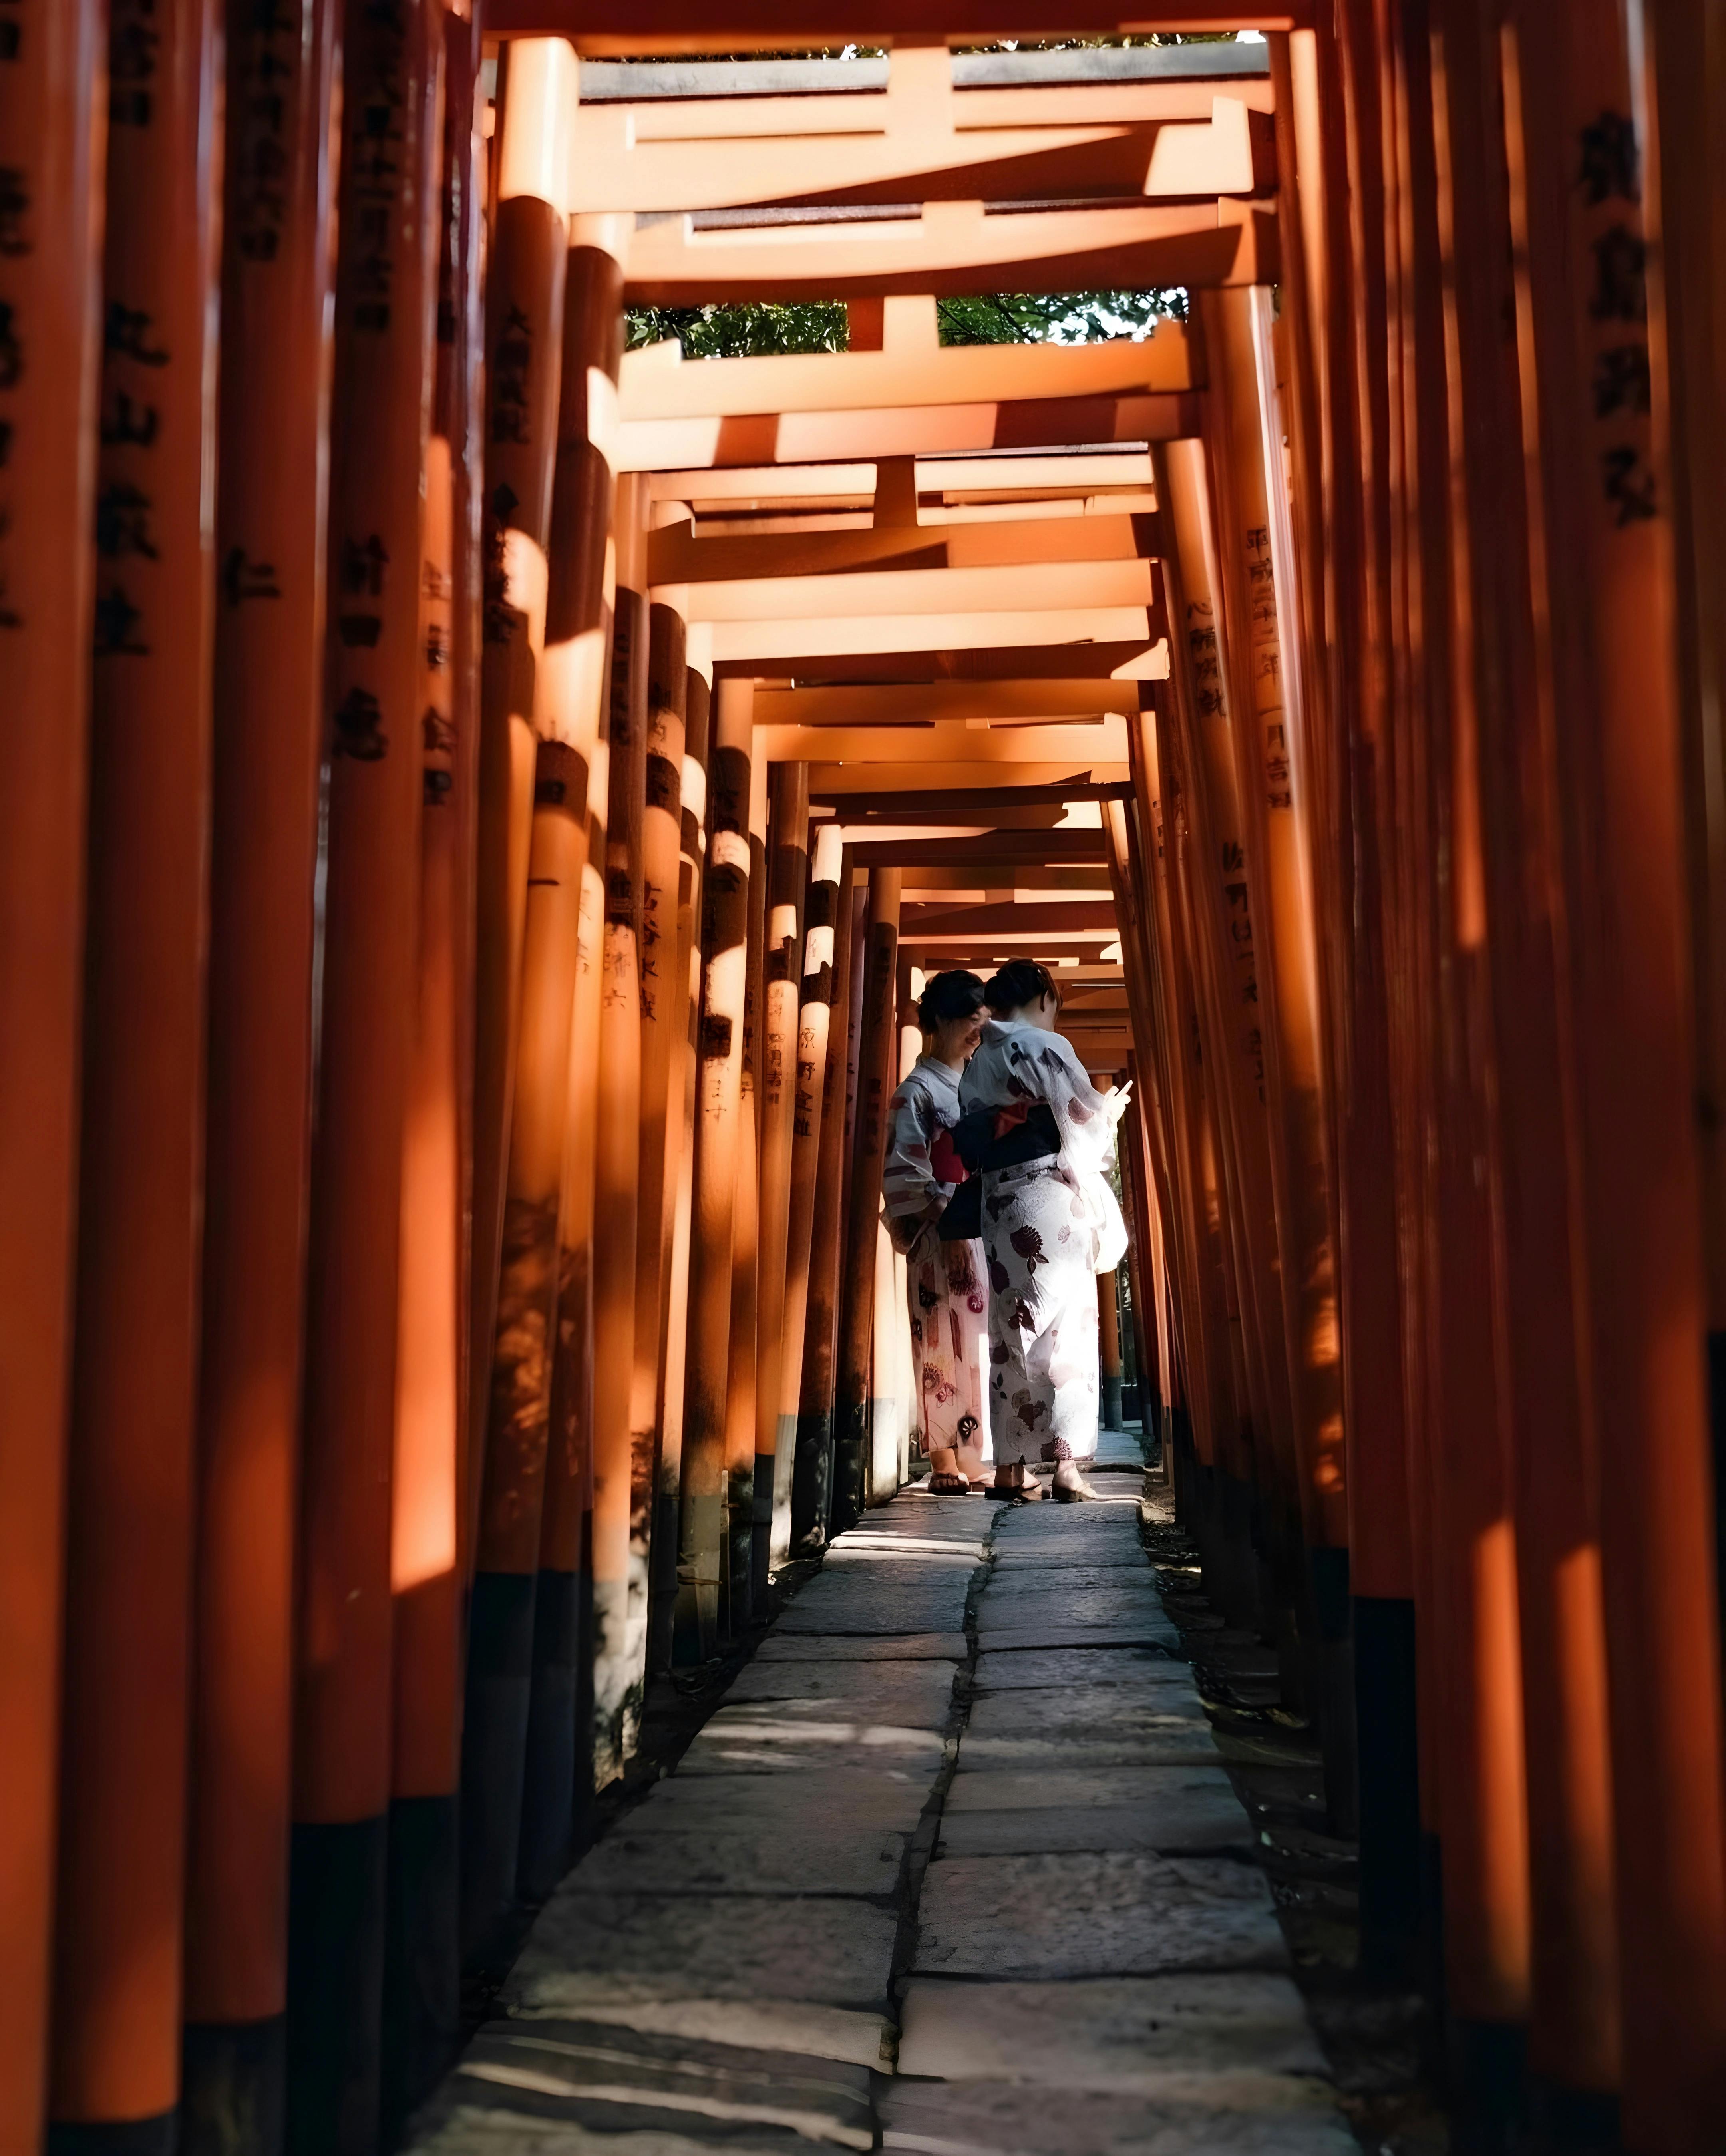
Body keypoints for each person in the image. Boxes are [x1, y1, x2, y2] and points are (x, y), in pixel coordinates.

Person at [961, 960, 1130, 1502]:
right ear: (1043, 996)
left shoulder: (980, 1057)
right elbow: (1079, 1119)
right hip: (1048, 1195)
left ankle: (1011, 1468)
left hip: (998, 1199)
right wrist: (1109, 1116)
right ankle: (1065, 1468)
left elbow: (975, 1128)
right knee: (1066, 1329)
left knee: (1012, 1332)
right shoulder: (1043, 1046)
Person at [882, 969, 992, 1495]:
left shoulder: (977, 1086)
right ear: (944, 1020)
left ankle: (974, 1452)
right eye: (974, 1018)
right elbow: (907, 1171)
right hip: (941, 1230)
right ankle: (946, 1459)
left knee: (980, 1344)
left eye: (985, 1018)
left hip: (981, 1230)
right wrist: (949, 1223)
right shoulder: (917, 1092)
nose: (981, 1029)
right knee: (941, 1345)